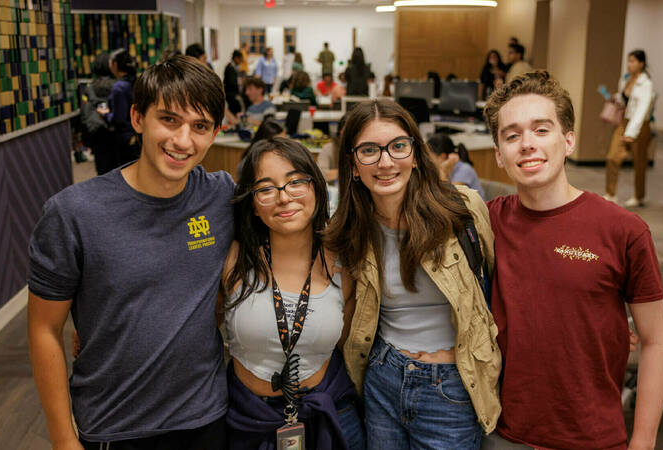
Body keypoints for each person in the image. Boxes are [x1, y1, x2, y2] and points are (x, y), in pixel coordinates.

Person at [28, 54, 232, 449]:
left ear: (214, 133)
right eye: (169, 119)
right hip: (113, 426)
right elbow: (44, 329)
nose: (182, 141)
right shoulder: (73, 212)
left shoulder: (221, 195)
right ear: (138, 118)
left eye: (200, 126)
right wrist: (62, 437)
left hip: (206, 421)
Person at [482, 71, 663, 450]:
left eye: (541, 129)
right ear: (500, 156)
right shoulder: (485, 222)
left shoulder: (622, 230)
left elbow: (655, 341)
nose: (527, 144)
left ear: (568, 141)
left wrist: (644, 442)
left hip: (591, 435)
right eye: (512, 135)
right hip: (502, 433)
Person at [325, 99, 502, 448]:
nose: (386, 161)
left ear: (416, 154)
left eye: (398, 146)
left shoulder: (462, 211)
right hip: (382, 376)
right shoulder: (351, 229)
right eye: (369, 150)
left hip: (452, 385)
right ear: (353, 165)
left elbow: (496, 286)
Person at [223, 137, 366, 450]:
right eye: (265, 188)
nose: (283, 197)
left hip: (329, 415)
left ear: (316, 187)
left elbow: (348, 343)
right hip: (248, 421)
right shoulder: (234, 259)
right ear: (253, 204)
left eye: (296, 182)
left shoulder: (344, 263)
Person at [604, 49, 656, 208]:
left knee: (639, 162)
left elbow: (642, 109)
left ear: (641, 64)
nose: (629, 64)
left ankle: (639, 196)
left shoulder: (646, 84)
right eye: (629, 61)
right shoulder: (626, 79)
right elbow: (625, 100)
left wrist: (632, 132)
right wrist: (617, 98)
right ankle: (610, 194)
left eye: (633, 61)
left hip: (640, 126)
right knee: (612, 157)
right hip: (625, 122)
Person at [97, 49, 139, 167]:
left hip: (126, 140)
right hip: (138, 136)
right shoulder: (137, 82)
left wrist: (104, 114)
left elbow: (119, 119)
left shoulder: (119, 88)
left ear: (115, 65)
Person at [79, 52, 117, 175]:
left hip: (98, 134)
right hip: (116, 134)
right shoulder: (118, 85)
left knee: (103, 173)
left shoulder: (89, 88)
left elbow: (85, 114)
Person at [427, 133, 486, 198]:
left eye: (430, 157)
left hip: (475, 208)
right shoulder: (443, 169)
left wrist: (442, 171)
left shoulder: (464, 169)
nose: (428, 160)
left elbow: (450, 199)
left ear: (442, 156)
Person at [224, 50, 244, 116]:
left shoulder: (235, 67)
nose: (241, 61)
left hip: (234, 93)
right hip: (231, 94)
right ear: (236, 58)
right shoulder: (229, 67)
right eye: (240, 59)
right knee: (233, 112)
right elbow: (231, 81)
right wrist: (241, 81)